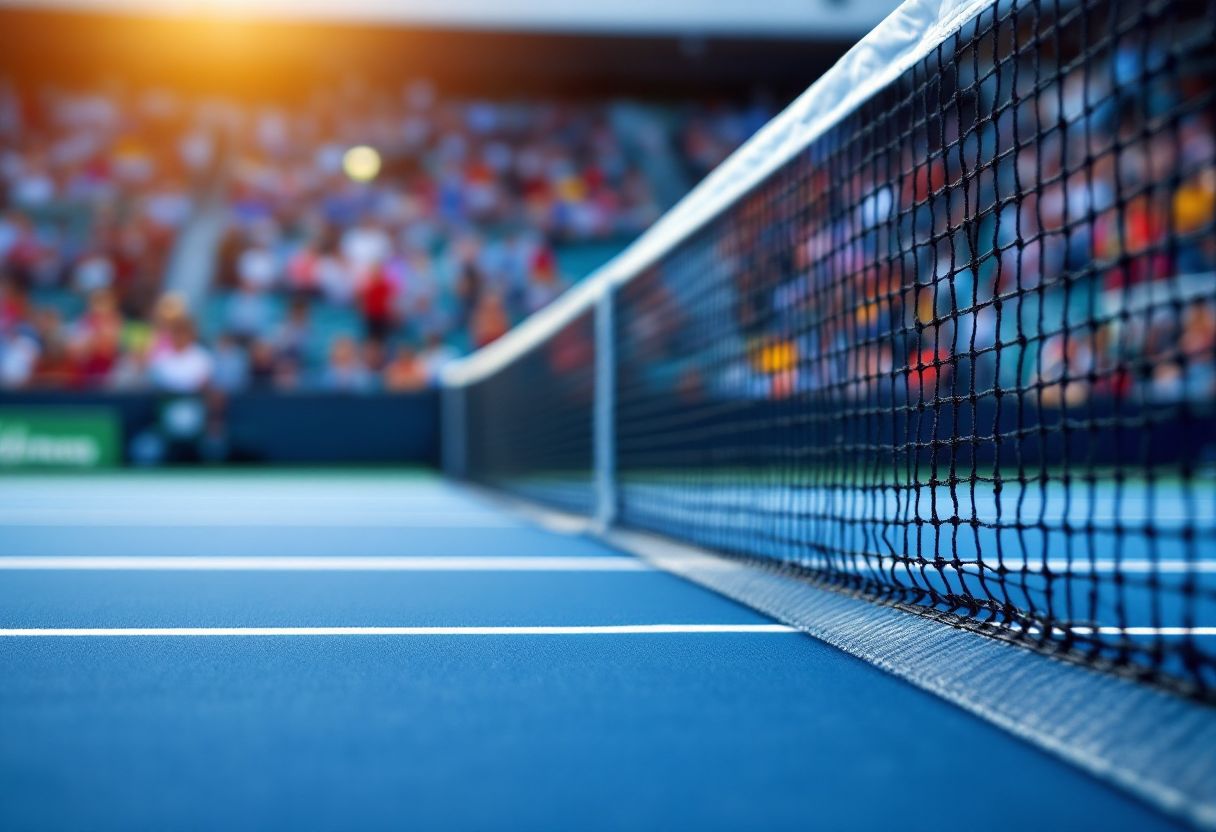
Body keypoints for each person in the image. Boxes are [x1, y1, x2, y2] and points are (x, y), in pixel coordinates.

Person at [148, 309, 213, 393]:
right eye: (177, 332)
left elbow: (203, 385)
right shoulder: (161, 356)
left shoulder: (203, 357)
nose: (180, 337)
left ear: (191, 334)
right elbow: (155, 382)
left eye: (184, 332)